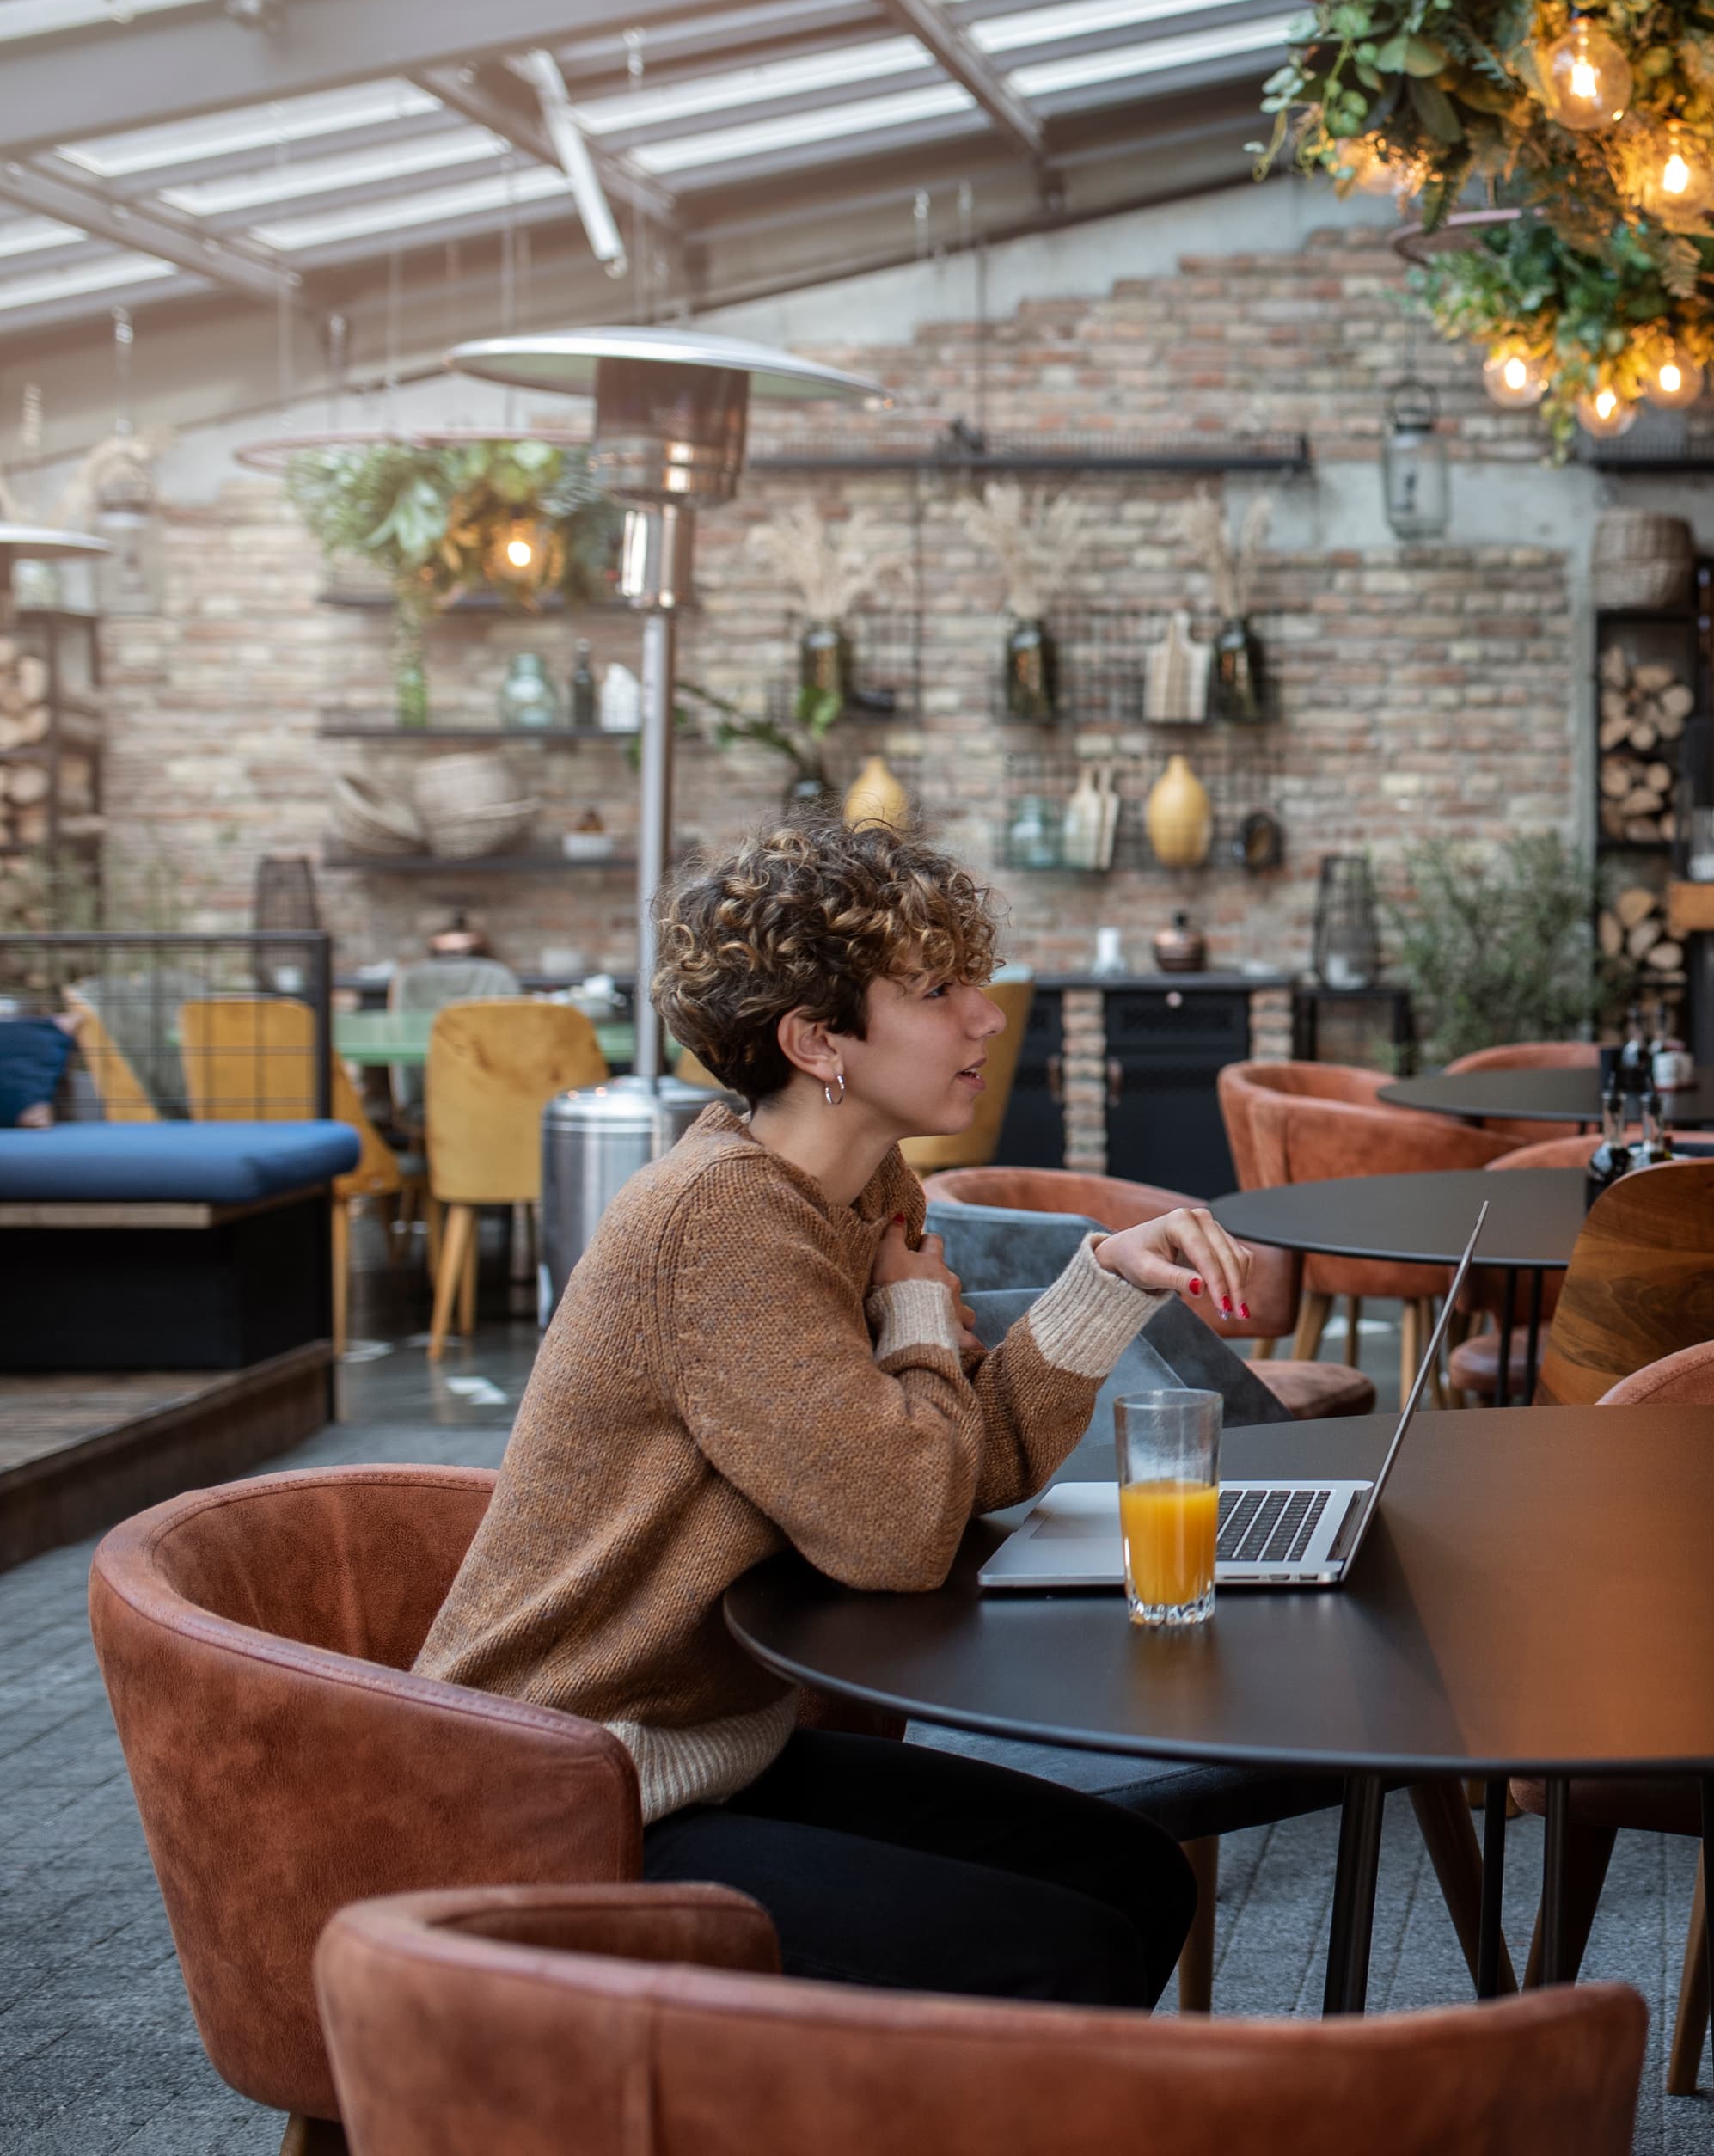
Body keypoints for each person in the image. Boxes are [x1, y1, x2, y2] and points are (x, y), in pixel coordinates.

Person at [416, 812, 1257, 2007]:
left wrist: (1104, 1282)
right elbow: (904, 1528)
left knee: (1129, 1875)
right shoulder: (723, 1223)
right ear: (819, 1040)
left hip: (713, 1755)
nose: (985, 1014)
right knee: (1050, 1947)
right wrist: (918, 1318)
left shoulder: (864, 1188)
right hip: (570, 1797)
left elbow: (964, 1460)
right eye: (935, 987)